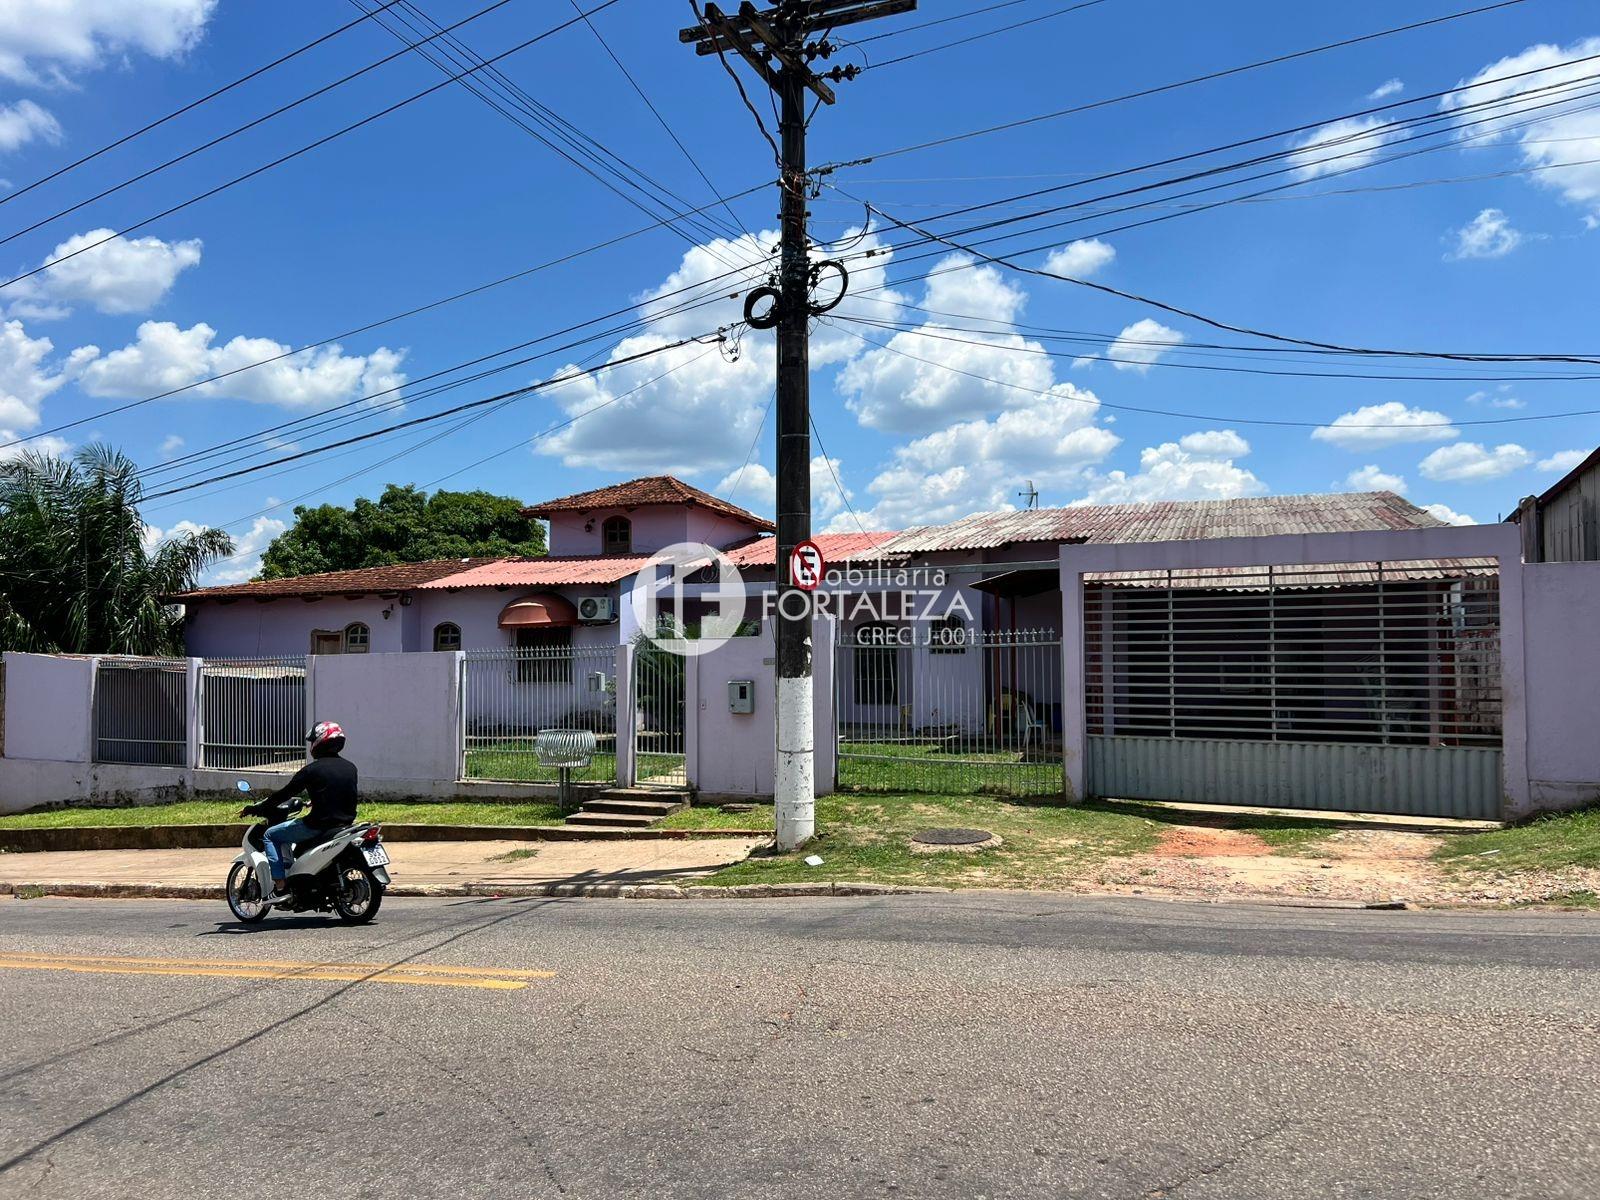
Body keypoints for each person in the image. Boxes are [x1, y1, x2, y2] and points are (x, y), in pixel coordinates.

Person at [248, 721, 359, 904]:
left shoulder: (311, 770)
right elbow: (338, 791)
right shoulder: (350, 767)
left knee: (270, 835)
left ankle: (280, 886)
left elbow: (284, 794)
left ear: (319, 742)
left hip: (317, 825)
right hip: (345, 824)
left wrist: (259, 808)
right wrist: (313, 802)